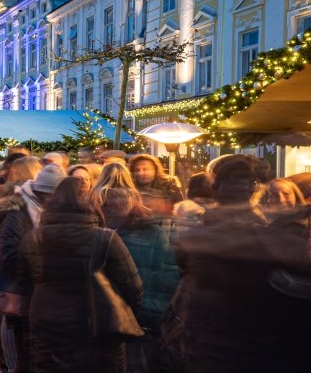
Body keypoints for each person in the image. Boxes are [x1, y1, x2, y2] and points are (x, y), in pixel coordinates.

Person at [170, 154, 311, 371]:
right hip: (233, 341)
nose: (243, 188)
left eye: (247, 182)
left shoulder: (207, 233)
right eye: (237, 181)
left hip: (220, 340)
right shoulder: (257, 234)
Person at [20, 177, 143, 373]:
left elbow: (23, 278)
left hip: (46, 316)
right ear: (89, 203)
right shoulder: (105, 238)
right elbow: (132, 284)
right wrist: (127, 310)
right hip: (95, 320)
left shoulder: (34, 237)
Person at [0, 163, 65, 372]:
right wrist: (39, 271)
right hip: (22, 299)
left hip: (47, 302)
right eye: (48, 195)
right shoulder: (18, 214)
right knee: (24, 359)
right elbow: (9, 257)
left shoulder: (55, 213)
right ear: (39, 192)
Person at [99, 187, 179, 373]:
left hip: (133, 317)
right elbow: (167, 276)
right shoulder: (106, 234)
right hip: (137, 316)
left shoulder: (104, 234)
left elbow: (166, 276)